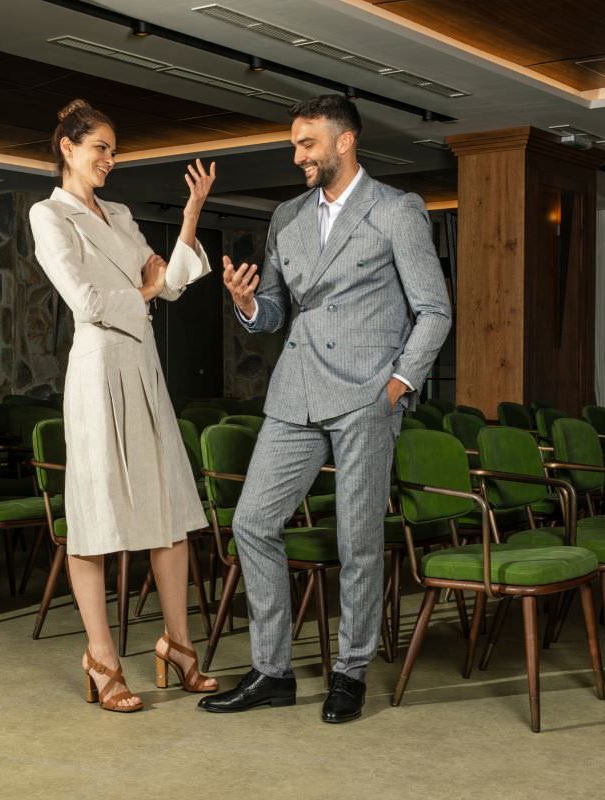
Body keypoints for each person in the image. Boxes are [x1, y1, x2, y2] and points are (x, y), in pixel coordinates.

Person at [198, 94, 452, 723]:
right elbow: (274, 313)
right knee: (252, 522)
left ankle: (350, 671)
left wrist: (396, 386)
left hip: (367, 395)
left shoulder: (396, 210)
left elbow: (434, 311)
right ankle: (272, 671)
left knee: (356, 539)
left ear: (345, 141)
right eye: (294, 144)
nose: (297, 156)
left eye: (306, 144)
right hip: (295, 390)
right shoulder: (286, 216)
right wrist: (247, 304)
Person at [29, 99, 218, 713]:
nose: (110, 159)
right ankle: (102, 658)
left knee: (168, 506)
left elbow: (172, 283)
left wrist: (190, 216)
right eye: (100, 148)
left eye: (113, 150)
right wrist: (144, 289)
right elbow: (86, 301)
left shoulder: (120, 214)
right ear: (68, 148)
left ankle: (179, 645)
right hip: (97, 370)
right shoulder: (48, 215)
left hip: (142, 365)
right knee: (95, 515)